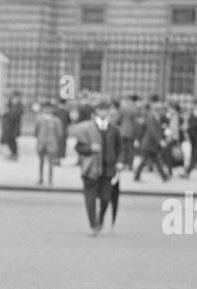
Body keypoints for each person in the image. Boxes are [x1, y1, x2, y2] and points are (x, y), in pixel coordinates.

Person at [71, 96, 122, 234]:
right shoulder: (87, 128)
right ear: (96, 112)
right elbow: (79, 147)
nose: (103, 113)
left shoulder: (114, 129)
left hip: (108, 169)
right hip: (91, 169)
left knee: (106, 198)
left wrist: (119, 162)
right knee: (91, 199)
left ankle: (100, 218)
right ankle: (93, 225)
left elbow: (119, 148)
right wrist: (89, 149)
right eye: (101, 110)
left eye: (106, 110)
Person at [133, 104, 170, 182]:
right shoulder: (151, 118)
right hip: (148, 144)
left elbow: (157, 131)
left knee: (156, 161)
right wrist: (160, 141)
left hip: (152, 145)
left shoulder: (156, 118)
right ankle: (164, 177)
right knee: (146, 161)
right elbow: (152, 131)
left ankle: (164, 177)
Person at [34, 101, 62, 186]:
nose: (48, 110)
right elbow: (36, 131)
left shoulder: (56, 120)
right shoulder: (39, 119)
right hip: (42, 143)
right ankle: (41, 178)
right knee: (41, 162)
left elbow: (59, 133)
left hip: (51, 143)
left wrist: (55, 140)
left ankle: (50, 179)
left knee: (51, 162)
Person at [0, 93, 23, 159]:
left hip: (14, 127)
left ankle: (14, 154)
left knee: (12, 140)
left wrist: (8, 113)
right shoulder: (10, 104)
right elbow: (5, 114)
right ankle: (12, 154)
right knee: (8, 140)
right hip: (9, 126)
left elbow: (16, 115)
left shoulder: (19, 106)